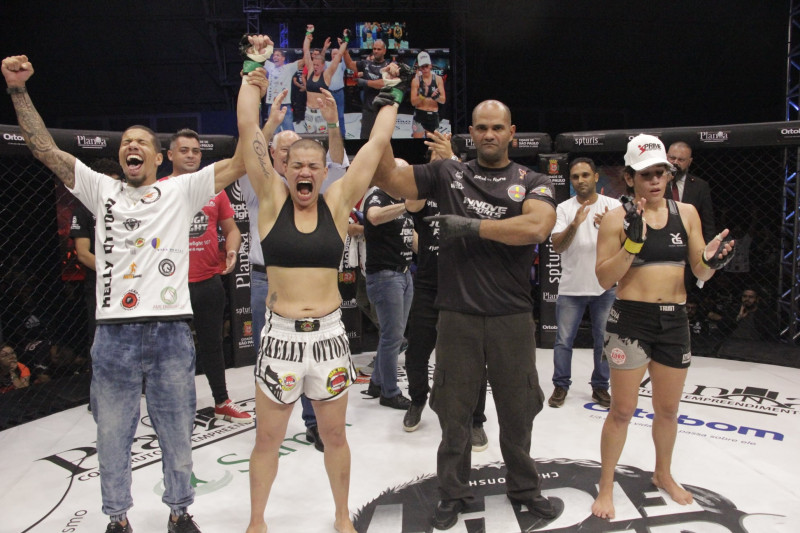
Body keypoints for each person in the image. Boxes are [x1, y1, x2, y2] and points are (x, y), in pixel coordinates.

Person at [2, 52, 256, 533]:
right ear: (122, 157)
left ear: (159, 158)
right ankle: (117, 520)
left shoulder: (181, 190)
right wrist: (18, 89)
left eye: (142, 141)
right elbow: (44, 149)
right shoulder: (101, 189)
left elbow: (243, 160)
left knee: (177, 432)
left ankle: (180, 512)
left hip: (170, 333)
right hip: (114, 337)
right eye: (126, 142)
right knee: (113, 437)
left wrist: (251, 82)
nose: (132, 145)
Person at [237, 35, 406, 533]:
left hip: (330, 338)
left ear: (322, 171)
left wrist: (392, 94)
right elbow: (247, 127)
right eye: (298, 165)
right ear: (284, 169)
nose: (306, 171)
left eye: (314, 165)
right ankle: (256, 521)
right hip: (280, 338)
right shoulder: (271, 200)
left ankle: (341, 516)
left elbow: (374, 147)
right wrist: (253, 66)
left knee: (335, 437)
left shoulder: (336, 201)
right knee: (267, 440)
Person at [374, 100, 559, 529]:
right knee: (453, 414)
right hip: (457, 314)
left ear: (512, 132)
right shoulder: (447, 173)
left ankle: (525, 489)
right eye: (481, 127)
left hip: (512, 316)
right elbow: (387, 177)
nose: (489, 134)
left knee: (518, 411)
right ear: (470, 133)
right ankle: (453, 493)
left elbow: (536, 228)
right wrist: (382, 112)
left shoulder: (532, 180)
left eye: (497, 127)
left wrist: (471, 226)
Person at [591, 134, 734, 520]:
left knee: (668, 410)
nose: (655, 180)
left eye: (661, 173)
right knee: (622, 410)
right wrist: (632, 245)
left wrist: (712, 261)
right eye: (646, 174)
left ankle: (663, 474)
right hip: (631, 320)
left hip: (673, 319)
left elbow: (700, 270)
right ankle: (606, 485)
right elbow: (604, 279)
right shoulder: (616, 219)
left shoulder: (686, 213)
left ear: (669, 175)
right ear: (630, 178)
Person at [237, 82, 350, 450]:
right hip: (265, 282)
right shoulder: (260, 185)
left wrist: (332, 124)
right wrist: (269, 123)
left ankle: (314, 422)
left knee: (314, 367)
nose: (298, 164)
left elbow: (336, 167)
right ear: (277, 158)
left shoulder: (315, 188)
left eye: (306, 160)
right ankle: (268, 427)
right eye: (288, 155)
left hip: (316, 297)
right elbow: (250, 144)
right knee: (271, 363)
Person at [402, 134, 491, 451]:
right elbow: (411, 203)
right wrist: (433, 169)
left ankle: (476, 420)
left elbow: (478, 196)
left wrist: (451, 160)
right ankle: (417, 399)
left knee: (473, 357)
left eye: (445, 161)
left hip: (464, 285)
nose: (439, 165)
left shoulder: (469, 189)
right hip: (429, 285)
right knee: (416, 353)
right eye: (434, 162)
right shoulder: (426, 194)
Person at [161, 129, 251, 423]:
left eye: (196, 151)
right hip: (170, 285)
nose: (191, 155)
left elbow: (232, 230)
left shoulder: (216, 191)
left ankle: (222, 401)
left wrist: (232, 250)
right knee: (171, 349)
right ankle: (173, 406)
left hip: (208, 281)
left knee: (212, 344)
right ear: (170, 155)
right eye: (184, 150)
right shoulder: (158, 191)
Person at [548, 157, 619, 409]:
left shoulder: (614, 206)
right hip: (571, 287)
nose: (580, 180)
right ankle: (560, 385)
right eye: (575, 176)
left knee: (604, 341)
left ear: (596, 177)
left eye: (585, 175)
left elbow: (626, 244)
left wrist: (609, 226)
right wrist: (575, 224)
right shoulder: (563, 209)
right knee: (563, 340)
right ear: (570, 181)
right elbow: (557, 246)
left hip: (605, 287)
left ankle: (600, 387)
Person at [363, 172, 415, 410]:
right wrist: (407, 205)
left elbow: (411, 237)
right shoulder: (377, 195)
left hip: (404, 273)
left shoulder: (401, 201)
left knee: (393, 335)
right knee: (393, 337)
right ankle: (390, 392)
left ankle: (377, 382)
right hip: (385, 275)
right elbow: (374, 217)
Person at [70, 158, 123, 353]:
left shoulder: (127, 208)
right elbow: (83, 254)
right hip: (100, 285)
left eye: (116, 183)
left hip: (130, 281)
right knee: (100, 339)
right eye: (108, 182)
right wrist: (114, 271)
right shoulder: (83, 211)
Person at [665, 141, 715, 243]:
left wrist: (707, 248)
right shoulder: (656, 183)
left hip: (690, 240)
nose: (675, 162)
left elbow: (707, 223)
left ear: (689, 161)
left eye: (681, 160)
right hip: (662, 239)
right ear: (666, 157)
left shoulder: (700, 186)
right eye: (672, 158)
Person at [343, 39, 391, 138]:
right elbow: (350, 64)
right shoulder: (366, 64)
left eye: (379, 49)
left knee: (383, 138)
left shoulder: (389, 67)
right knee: (365, 138)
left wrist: (365, 82)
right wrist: (344, 49)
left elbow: (383, 83)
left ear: (384, 51)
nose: (376, 51)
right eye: (374, 49)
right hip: (368, 109)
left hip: (383, 110)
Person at [302, 33, 348, 134]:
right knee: (310, 139)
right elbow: (306, 51)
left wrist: (346, 39)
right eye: (314, 64)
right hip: (309, 112)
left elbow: (339, 55)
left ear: (323, 65)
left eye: (317, 65)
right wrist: (308, 34)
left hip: (321, 112)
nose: (315, 67)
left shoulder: (327, 75)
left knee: (323, 139)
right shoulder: (310, 71)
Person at [263, 45, 303, 132]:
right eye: (274, 55)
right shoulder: (270, 66)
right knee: (273, 132)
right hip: (272, 105)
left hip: (285, 105)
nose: (275, 57)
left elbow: (304, 61)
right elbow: (259, 58)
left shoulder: (288, 68)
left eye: (278, 55)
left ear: (283, 58)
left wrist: (307, 45)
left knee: (289, 131)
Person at [410, 51, 445, 138]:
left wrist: (436, 97)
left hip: (433, 116)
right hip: (420, 115)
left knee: (432, 144)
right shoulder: (416, 81)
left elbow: (443, 100)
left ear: (430, 65)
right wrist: (422, 96)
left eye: (426, 66)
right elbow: (413, 102)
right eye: (422, 66)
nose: (425, 69)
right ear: (419, 67)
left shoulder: (438, 79)